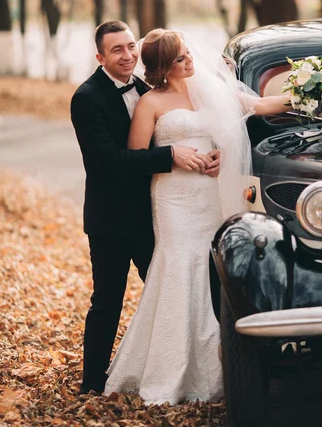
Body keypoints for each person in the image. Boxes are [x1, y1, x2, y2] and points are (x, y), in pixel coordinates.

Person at [104, 29, 291, 404]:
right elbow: (136, 157)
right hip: (174, 199)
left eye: (188, 54)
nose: (191, 61)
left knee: (212, 269)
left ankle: (223, 365)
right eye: (180, 59)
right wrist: (175, 155)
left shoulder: (212, 93)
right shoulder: (150, 103)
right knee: (179, 267)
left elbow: (262, 106)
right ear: (162, 67)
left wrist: (311, 91)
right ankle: (168, 368)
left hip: (210, 194)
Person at [70, 21, 220, 395]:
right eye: (117, 50)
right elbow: (107, 161)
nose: (127, 55)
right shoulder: (86, 98)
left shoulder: (145, 88)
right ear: (100, 57)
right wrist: (169, 155)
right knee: (107, 300)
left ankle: (179, 365)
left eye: (130, 46)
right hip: (112, 217)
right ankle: (92, 382)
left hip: (157, 214)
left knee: (169, 293)